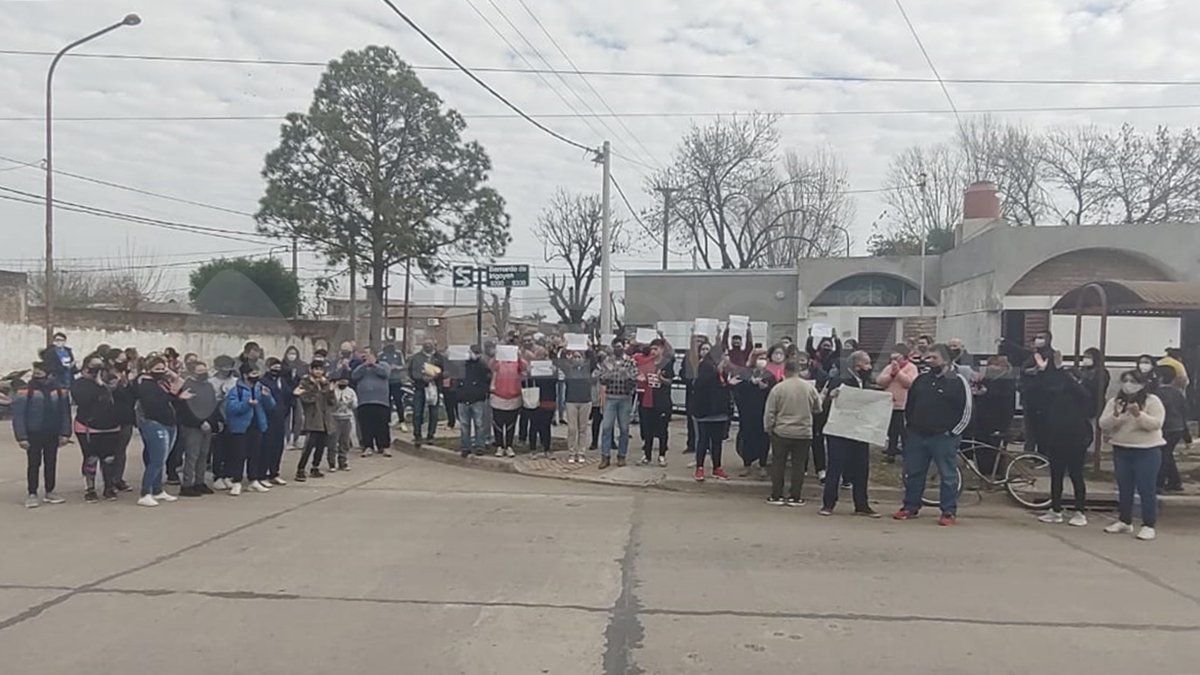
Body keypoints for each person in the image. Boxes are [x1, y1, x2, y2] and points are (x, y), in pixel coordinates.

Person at [894, 344, 973, 526]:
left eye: (933, 358)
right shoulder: (921, 380)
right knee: (914, 473)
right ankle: (910, 506)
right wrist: (910, 428)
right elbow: (911, 404)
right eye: (927, 358)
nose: (928, 361)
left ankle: (948, 512)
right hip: (918, 435)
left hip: (944, 437)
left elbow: (967, 411)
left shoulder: (958, 381)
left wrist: (953, 433)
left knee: (948, 475)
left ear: (946, 360)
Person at [1025, 351, 1092, 526]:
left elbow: (1081, 392)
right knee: (1056, 476)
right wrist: (1043, 371)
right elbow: (1042, 389)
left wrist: (1062, 370)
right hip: (1056, 438)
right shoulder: (1056, 396)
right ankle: (1055, 509)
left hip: (1077, 439)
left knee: (1076, 475)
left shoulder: (1081, 395)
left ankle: (1080, 511)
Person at [1100, 370, 1165, 540]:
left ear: (1142, 384)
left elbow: (1156, 424)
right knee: (1124, 488)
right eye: (1125, 381)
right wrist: (1116, 416)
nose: (1128, 385)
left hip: (1147, 450)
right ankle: (1124, 521)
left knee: (1146, 488)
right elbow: (1103, 424)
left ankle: (1148, 524)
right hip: (1122, 448)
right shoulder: (1115, 401)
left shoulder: (1152, 401)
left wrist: (1138, 415)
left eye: (1133, 381)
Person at [820, 351, 881, 517]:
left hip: (859, 431)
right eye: (866, 363)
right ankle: (828, 504)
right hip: (839, 432)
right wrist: (832, 396)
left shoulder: (865, 382)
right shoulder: (840, 380)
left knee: (861, 469)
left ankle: (861, 504)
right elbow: (826, 403)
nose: (869, 367)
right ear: (856, 365)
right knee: (835, 468)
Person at [763, 359, 823, 506]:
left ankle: (776, 495)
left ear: (785, 371)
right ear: (798, 371)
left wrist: (769, 428)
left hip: (782, 431)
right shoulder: (809, 388)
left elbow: (770, 412)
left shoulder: (778, 388)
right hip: (803, 432)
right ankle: (795, 496)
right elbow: (818, 408)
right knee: (799, 465)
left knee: (778, 463)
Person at [13, 361, 71, 508]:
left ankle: (50, 491)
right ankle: (32, 493)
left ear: (50, 374)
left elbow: (65, 413)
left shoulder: (60, 391)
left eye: (39, 372)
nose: (36, 375)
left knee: (51, 463)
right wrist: (21, 437)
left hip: (52, 433)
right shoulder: (25, 391)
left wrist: (65, 433)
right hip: (33, 433)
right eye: (35, 372)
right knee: (33, 464)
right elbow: (19, 415)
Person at [135, 356, 187, 507]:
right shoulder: (145, 383)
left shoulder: (162, 382)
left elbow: (180, 384)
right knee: (157, 459)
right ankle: (145, 492)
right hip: (154, 423)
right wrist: (175, 397)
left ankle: (158, 490)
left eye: (163, 368)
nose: (161, 371)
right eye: (157, 369)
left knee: (163, 458)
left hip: (169, 422)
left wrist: (172, 374)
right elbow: (155, 402)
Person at [71, 354, 123, 502]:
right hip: (88, 427)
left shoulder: (110, 382)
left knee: (109, 459)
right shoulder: (79, 383)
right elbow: (84, 400)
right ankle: (90, 488)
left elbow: (121, 399)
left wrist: (108, 383)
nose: (98, 370)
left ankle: (109, 487)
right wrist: (98, 385)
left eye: (100, 366)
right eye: (94, 366)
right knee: (91, 459)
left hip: (111, 427)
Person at [224, 362, 276, 495]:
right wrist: (246, 404)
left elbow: (271, 406)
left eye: (257, 373)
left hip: (257, 425)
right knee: (239, 455)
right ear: (245, 375)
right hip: (240, 428)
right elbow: (231, 409)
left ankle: (254, 480)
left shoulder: (260, 388)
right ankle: (236, 481)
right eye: (253, 373)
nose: (256, 376)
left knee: (255, 454)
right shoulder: (237, 390)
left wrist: (267, 397)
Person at [175, 360, 220, 497]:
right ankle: (187, 484)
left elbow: (213, 405)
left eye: (204, 371)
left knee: (203, 455)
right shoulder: (187, 386)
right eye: (199, 371)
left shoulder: (209, 386)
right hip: (192, 426)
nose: (203, 374)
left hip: (207, 425)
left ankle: (199, 482)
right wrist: (199, 422)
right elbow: (185, 409)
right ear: (192, 372)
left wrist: (212, 423)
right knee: (192, 456)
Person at [690, 342, 731, 481]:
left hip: (720, 410)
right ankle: (700, 467)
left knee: (717, 441)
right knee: (703, 440)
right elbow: (701, 384)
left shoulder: (724, 370)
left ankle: (717, 467)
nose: (726, 357)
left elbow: (724, 387)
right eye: (724, 355)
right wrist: (717, 372)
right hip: (705, 410)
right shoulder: (706, 366)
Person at [596, 338, 640, 469]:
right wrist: (608, 376)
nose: (618, 349)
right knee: (606, 427)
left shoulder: (630, 361)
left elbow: (634, 378)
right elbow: (601, 378)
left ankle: (622, 455)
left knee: (624, 429)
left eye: (620, 347)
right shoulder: (607, 361)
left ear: (624, 348)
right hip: (610, 397)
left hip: (624, 398)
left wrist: (626, 376)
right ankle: (605, 456)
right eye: (616, 347)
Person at [731, 350, 774, 477]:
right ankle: (747, 464)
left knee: (763, 439)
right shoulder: (745, 373)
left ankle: (762, 464)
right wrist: (750, 383)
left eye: (764, 358)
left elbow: (775, 392)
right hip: (747, 412)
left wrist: (765, 388)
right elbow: (737, 389)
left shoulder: (769, 375)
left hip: (763, 412)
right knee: (747, 438)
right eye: (759, 357)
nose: (762, 360)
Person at [971, 355, 1016, 474]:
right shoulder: (984, 379)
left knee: (995, 449)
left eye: (996, 365)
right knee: (981, 447)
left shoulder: (1007, 380)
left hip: (998, 420)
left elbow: (1006, 401)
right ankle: (984, 472)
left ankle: (997, 473)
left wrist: (988, 392)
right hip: (981, 419)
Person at [634, 335, 675, 466]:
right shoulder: (647, 362)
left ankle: (662, 455)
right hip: (647, 401)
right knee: (647, 430)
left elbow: (670, 382)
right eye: (652, 349)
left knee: (662, 430)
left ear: (662, 349)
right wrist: (640, 379)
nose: (653, 351)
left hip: (662, 402)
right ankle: (647, 455)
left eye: (656, 349)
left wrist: (661, 379)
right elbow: (641, 377)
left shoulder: (667, 363)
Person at [876, 343, 918, 463]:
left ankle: (907, 453)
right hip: (890, 404)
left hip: (904, 404)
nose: (894, 358)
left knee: (903, 430)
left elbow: (910, 383)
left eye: (897, 355)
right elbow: (880, 381)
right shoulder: (889, 367)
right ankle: (891, 451)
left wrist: (898, 372)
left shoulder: (911, 367)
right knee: (891, 430)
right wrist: (891, 374)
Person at [294, 361, 336, 481]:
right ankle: (301, 469)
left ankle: (315, 467)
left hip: (325, 419)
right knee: (309, 446)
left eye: (320, 369)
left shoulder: (325, 383)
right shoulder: (305, 383)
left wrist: (329, 390)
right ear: (311, 370)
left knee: (321, 445)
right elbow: (306, 399)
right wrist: (316, 389)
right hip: (312, 418)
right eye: (316, 369)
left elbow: (332, 402)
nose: (318, 372)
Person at [352, 349, 393, 458]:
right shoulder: (361, 367)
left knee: (382, 425)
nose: (366, 356)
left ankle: (384, 446)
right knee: (366, 425)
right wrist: (364, 365)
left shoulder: (383, 365)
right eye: (364, 354)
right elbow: (354, 376)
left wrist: (374, 365)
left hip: (381, 401)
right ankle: (368, 446)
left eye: (368, 354)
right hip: (364, 401)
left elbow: (386, 374)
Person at [556, 344, 593, 463]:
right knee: (572, 429)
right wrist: (565, 347)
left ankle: (581, 452)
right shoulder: (569, 369)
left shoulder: (588, 368)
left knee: (583, 429)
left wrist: (589, 347)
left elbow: (594, 359)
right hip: (571, 401)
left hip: (585, 401)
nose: (577, 359)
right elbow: (560, 361)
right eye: (575, 357)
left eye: (579, 357)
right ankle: (571, 452)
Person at [454, 345, 491, 458]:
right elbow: (455, 380)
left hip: (477, 399)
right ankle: (465, 447)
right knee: (464, 425)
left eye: (476, 352)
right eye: (472, 352)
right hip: (463, 399)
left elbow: (487, 380)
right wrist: (458, 394)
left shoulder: (483, 365)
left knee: (479, 424)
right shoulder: (461, 365)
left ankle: (480, 446)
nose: (473, 354)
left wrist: (481, 393)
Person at [1154, 366, 1187, 494]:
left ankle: (1159, 483)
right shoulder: (1178, 393)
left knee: (1163, 455)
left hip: (1166, 427)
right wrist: (1186, 434)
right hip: (1177, 428)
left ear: (1160, 377)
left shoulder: (1158, 393)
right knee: (1167, 454)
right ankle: (1175, 481)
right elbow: (1184, 412)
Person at [489, 346, 526, 458]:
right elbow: (490, 366)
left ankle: (509, 446)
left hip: (514, 397)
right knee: (498, 423)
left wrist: (519, 356)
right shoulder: (498, 363)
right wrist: (496, 355)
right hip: (498, 396)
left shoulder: (517, 363)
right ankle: (499, 446)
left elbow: (524, 367)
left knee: (511, 424)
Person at [261, 357, 292, 484]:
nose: (276, 370)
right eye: (274, 367)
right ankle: (263, 474)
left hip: (280, 418)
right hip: (268, 418)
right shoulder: (263, 381)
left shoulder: (282, 381)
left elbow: (288, 396)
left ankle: (274, 472)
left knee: (278, 446)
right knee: (266, 447)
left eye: (279, 368)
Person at [209, 355, 239, 491]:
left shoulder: (236, 382)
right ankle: (217, 476)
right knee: (218, 449)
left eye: (229, 367)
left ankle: (229, 475)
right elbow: (208, 403)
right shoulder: (211, 382)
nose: (227, 370)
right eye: (224, 367)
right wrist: (220, 397)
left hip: (234, 419)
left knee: (232, 450)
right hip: (218, 418)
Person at [408, 338, 445, 445]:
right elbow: (411, 372)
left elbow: (446, 371)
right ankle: (417, 435)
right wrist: (421, 378)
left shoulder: (439, 358)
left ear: (434, 344)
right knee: (417, 412)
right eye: (425, 344)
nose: (428, 345)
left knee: (434, 412)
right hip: (420, 388)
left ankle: (430, 435)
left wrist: (437, 376)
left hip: (434, 388)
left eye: (430, 343)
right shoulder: (416, 357)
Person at [528, 347, 557, 458]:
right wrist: (530, 372)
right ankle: (533, 449)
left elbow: (555, 382)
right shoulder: (532, 368)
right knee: (534, 426)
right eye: (539, 356)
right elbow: (527, 383)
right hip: (534, 399)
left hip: (548, 399)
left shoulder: (551, 368)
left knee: (546, 426)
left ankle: (547, 448)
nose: (542, 358)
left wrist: (554, 372)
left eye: (544, 356)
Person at [378, 340, 409, 432]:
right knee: (386, 402)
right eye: (388, 342)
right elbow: (378, 366)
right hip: (385, 382)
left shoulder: (398, 353)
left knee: (398, 401)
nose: (390, 344)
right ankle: (386, 420)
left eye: (391, 342)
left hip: (396, 381)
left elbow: (404, 366)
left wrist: (396, 367)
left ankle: (401, 421)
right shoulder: (381, 355)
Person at [282, 345, 308, 449]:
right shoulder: (282, 365)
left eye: (294, 353)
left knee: (298, 418)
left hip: (299, 395)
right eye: (290, 353)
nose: (292, 356)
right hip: (287, 395)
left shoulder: (301, 366)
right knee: (287, 418)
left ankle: (296, 439)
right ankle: (288, 440)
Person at [330, 376, 357, 470]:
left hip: (346, 418)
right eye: (341, 381)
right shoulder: (333, 391)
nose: (343, 383)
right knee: (333, 442)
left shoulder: (350, 391)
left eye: (345, 381)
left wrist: (350, 403)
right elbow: (330, 404)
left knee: (344, 442)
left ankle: (343, 461)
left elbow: (355, 405)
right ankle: (332, 463)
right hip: (334, 418)